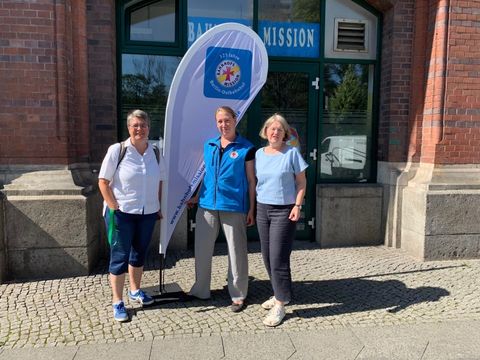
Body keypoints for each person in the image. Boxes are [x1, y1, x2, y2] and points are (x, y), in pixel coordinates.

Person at [98, 109, 166, 322]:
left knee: (139, 254)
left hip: (147, 213)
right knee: (119, 258)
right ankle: (117, 301)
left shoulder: (155, 152)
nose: (139, 129)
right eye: (135, 125)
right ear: (129, 128)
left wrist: (158, 205)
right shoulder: (117, 150)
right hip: (122, 214)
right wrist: (113, 206)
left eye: (143, 125)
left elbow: (160, 180)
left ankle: (135, 290)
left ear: (148, 128)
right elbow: (103, 181)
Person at [187, 106, 256, 312]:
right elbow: (206, 175)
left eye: (227, 120)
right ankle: (201, 290)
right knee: (202, 249)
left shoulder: (246, 147)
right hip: (207, 205)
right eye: (219, 121)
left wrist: (251, 208)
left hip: (234, 206)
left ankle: (238, 295)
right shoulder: (209, 145)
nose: (223, 125)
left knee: (236, 251)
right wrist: (197, 196)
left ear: (235, 120)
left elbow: (252, 181)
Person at [255, 113, 308, 327]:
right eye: (271, 128)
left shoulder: (292, 154)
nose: (275, 132)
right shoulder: (259, 154)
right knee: (267, 256)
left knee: (278, 257)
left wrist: (297, 205)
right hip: (262, 208)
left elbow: (302, 183)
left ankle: (280, 304)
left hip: (284, 211)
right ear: (266, 132)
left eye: (279, 129)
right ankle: (281, 292)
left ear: (285, 133)